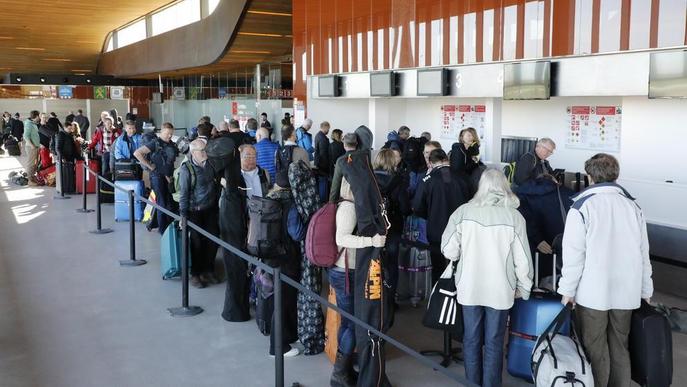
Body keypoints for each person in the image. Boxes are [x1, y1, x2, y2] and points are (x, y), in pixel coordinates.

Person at [558, 153, 654, 387]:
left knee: (594, 347)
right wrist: (646, 288)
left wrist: (567, 290)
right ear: (615, 175)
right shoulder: (633, 206)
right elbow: (644, 253)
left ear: (590, 177)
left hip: (593, 293)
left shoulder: (581, 207)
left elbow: (574, 256)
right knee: (620, 345)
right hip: (627, 292)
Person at [441, 168, 533, 387]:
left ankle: (472, 383)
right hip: (501, 290)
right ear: (504, 187)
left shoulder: (463, 212)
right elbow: (523, 260)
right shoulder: (514, 217)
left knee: (471, 340)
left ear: (481, 186)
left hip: (469, 286)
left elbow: (448, 250)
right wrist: (525, 287)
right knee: (494, 341)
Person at [330, 177, 386, 387]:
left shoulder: (348, 205)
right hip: (345, 271)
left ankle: (343, 369)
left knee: (349, 323)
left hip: (346, 271)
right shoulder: (348, 207)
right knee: (353, 324)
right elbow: (341, 238)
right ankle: (339, 373)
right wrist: (371, 241)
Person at [412, 149, 470, 284]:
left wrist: (431, 215)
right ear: (446, 159)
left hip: (436, 230)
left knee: (437, 268)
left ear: (430, 163)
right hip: (461, 230)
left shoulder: (427, 180)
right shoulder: (463, 177)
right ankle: (457, 299)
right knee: (459, 267)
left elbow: (417, 207)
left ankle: (437, 299)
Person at [265, 173, 301, 358]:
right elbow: (296, 233)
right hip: (287, 259)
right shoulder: (291, 206)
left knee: (277, 300)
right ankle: (277, 347)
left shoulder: (268, 200)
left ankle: (285, 337)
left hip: (269, 258)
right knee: (284, 302)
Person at [515, 173, 574, 281]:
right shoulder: (567, 193)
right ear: (555, 182)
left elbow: (521, 219)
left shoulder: (521, 194)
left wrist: (538, 239)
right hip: (559, 252)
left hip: (533, 250)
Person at [178, 139, 220, 288]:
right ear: (193, 152)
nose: (205, 153)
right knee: (196, 243)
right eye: (202, 151)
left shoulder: (210, 165)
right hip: (194, 211)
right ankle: (195, 274)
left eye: (206, 150)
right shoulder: (186, 169)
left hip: (210, 209)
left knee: (213, 239)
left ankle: (208, 270)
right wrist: (183, 216)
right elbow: (183, 194)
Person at [373, 149, 411, 307]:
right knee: (391, 265)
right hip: (393, 226)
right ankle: (390, 300)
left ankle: (374, 298)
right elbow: (404, 208)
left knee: (373, 262)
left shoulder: (370, 179)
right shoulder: (398, 181)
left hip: (373, 227)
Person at [134, 123, 179, 234]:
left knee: (170, 203)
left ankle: (169, 228)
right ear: (162, 131)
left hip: (168, 177)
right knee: (161, 203)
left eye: (171, 134)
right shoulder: (155, 143)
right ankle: (162, 230)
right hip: (157, 176)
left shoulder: (172, 144)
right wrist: (150, 166)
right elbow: (137, 153)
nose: (169, 136)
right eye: (167, 133)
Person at [329, 125, 373, 202]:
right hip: (366, 198)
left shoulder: (341, 161)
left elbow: (335, 185)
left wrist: (331, 203)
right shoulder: (365, 158)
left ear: (344, 144)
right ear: (357, 143)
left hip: (349, 200)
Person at [314, 121, 331, 202]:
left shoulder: (317, 135)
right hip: (323, 165)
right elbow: (323, 153)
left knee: (320, 183)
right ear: (325, 127)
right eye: (328, 128)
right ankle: (323, 202)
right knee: (323, 183)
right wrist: (327, 166)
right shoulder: (323, 138)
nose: (329, 130)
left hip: (318, 163)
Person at [22, 110, 41, 185]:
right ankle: (30, 180)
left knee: (35, 163)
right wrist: (32, 145)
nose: (39, 117)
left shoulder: (33, 123)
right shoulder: (29, 124)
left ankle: (32, 177)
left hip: (35, 146)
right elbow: (25, 136)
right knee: (31, 163)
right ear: (36, 116)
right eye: (39, 116)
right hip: (31, 147)